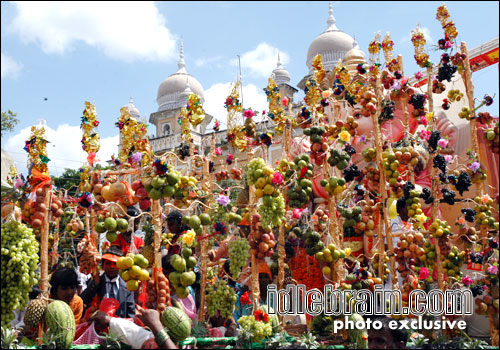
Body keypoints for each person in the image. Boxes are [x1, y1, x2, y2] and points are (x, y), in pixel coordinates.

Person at [81, 245, 136, 319]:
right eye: (108, 263)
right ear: (103, 266)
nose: (112, 267)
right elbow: (83, 301)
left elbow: (131, 313)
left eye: (115, 264)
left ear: (121, 266)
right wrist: (95, 284)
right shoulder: (95, 282)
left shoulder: (127, 286)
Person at [88, 305, 178, 349]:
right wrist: (110, 321)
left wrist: (156, 326)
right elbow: (136, 334)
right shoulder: (152, 340)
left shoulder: (153, 343)